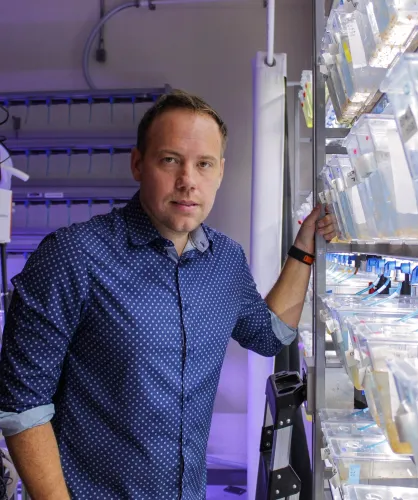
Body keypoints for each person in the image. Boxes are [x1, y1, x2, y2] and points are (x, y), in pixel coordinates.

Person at [0, 90, 337, 500]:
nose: (188, 181)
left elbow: (269, 335)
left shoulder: (225, 260)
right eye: (170, 159)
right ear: (138, 164)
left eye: (204, 164)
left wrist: (304, 248)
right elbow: (21, 404)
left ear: (220, 172)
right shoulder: (74, 256)